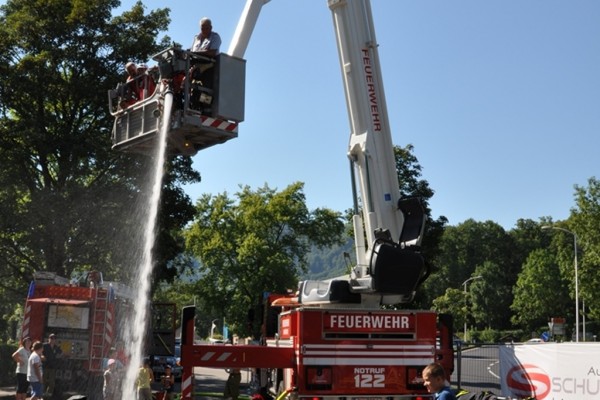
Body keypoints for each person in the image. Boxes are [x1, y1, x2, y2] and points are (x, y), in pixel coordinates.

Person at [190, 17, 222, 87]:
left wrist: (196, 53)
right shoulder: (196, 38)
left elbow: (212, 53)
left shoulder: (215, 37)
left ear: (211, 27)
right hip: (195, 64)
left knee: (205, 88)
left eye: (206, 28)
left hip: (208, 67)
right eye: (202, 28)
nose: (204, 30)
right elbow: (192, 51)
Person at [42, 333, 63, 398]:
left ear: (55, 340)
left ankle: (49, 393)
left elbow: (61, 353)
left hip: (53, 366)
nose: (52, 340)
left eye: (54, 338)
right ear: (49, 339)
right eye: (51, 338)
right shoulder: (44, 345)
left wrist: (59, 356)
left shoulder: (56, 347)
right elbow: (39, 352)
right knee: (43, 380)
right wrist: (42, 356)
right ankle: (42, 392)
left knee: (52, 382)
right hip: (45, 366)